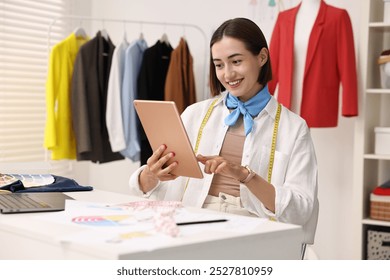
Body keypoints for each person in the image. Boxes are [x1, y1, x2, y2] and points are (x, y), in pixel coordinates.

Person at [129, 18, 318, 249]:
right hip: (193, 223)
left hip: (255, 229)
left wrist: (244, 175)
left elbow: (301, 209)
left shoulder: (294, 128)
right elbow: (158, 192)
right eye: (219, 65)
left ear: (262, 57)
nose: (227, 74)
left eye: (236, 61)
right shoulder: (194, 114)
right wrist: (152, 174)